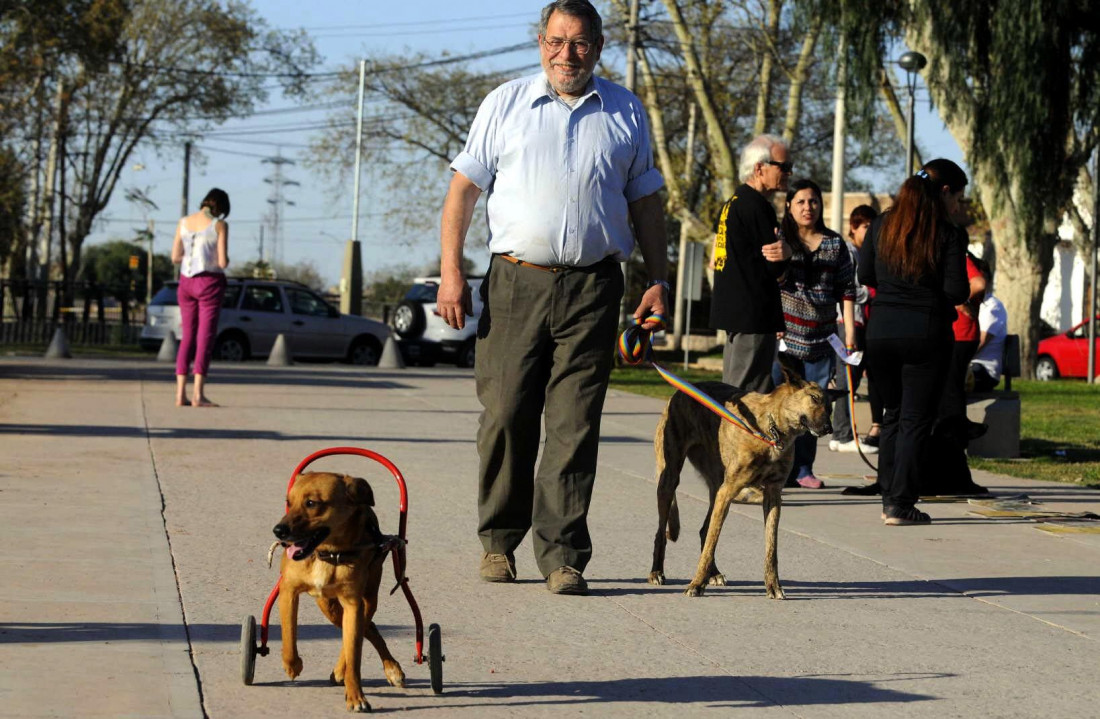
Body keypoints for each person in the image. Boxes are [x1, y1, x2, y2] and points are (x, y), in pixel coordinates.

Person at [435, 0, 669, 596]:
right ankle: (498, 540)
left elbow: (645, 201)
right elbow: (463, 190)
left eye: (581, 43)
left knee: (574, 424)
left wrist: (658, 277)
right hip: (516, 282)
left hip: (594, 287)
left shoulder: (625, 111)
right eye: (557, 41)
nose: (568, 54)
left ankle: (564, 554)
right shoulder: (506, 103)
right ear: (541, 42)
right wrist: (451, 271)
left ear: (599, 45)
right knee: (508, 413)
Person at [858, 159, 970, 525]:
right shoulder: (948, 233)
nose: (958, 205)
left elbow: (866, 273)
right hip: (926, 332)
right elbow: (957, 291)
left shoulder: (881, 225)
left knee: (891, 414)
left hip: (881, 331)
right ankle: (901, 503)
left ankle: (887, 491)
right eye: (958, 197)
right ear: (944, 192)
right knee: (915, 419)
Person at [771, 179, 856, 489]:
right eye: (801, 202)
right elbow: (767, 284)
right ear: (790, 207)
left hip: (821, 340)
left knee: (815, 406)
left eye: (814, 202)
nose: (808, 207)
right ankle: (778, 468)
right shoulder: (779, 241)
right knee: (781, 405)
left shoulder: (835, 244)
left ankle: (804, 469)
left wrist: (849, 332)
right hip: (784, 340)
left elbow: (847, 289)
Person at [709, 134, 793, 393]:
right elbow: (774, 265)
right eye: (784, 167)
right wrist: (788, 254)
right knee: (747, 394)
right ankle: (733, 435)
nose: (789, 173)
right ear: (760, 168)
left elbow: (715, 259)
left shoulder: (732, 203)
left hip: (736, 314)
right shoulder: (757, 207)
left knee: (733, 388)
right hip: (754, 315)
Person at [171, 188, 229, 408]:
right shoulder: (219, 225)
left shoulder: (183, 222)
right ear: (220, 207)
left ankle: (179, 394)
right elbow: (223, 262)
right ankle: (198, 394)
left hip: (185, 281)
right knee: (204, 337)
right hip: (210, 282)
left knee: (187, 336)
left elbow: (175, 256)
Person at [831, 204, 877, 454]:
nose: (869, 232)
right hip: (845, 322)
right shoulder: (848, 251)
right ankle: (842, 433)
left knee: (851, 378)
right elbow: (847, 287)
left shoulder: (861, 252)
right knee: (845, 379)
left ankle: (842, 432)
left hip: (857, 322)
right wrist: (870, 293)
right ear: (853, 227)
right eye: (866, 227)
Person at [970, 262, 1008, 392]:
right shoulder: (967, 305)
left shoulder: (992, 307)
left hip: (984, 370)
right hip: (969, 367)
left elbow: (980, 342)